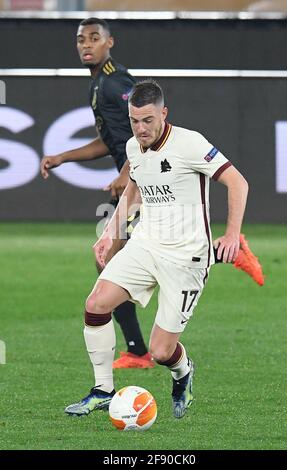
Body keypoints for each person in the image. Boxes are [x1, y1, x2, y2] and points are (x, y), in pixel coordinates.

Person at [64, 79, 249, 419]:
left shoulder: (190, 143)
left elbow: (238, 181)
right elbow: (133, 188)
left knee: (161, 352)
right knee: (95, 304)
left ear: (164, 113)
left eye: (148, 120)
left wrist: (232, 234)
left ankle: (183, 372)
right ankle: (103, 390)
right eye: (135, 120)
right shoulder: (134, 147)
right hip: (145, 245)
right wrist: (111, 233)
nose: (140, 128)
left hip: (187, 258)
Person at [40, 17, 154, 369]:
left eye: (94, 38)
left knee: (121, 260)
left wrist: (126, 172)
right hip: (133, 184)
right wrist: (64, 156)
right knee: (110, 259)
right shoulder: (99, 83)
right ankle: (137, 351)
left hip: (142, 185)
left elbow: (145, 126)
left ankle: (138, 351)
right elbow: (112, 140)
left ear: (110, 42)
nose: (85, 44)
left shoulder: (115, 82)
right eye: (80, 40)